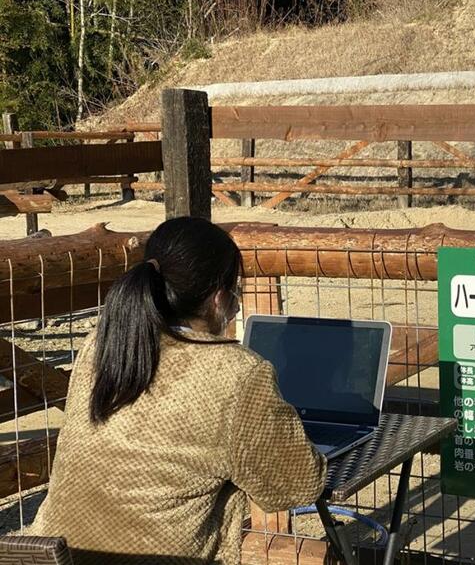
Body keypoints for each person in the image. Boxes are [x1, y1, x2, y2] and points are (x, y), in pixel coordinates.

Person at [28, 217, 326, 564]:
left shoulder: (101, 345)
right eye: (236, 291)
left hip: (55, 554)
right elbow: (294, 486)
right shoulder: (237, 372)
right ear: (218, 299)